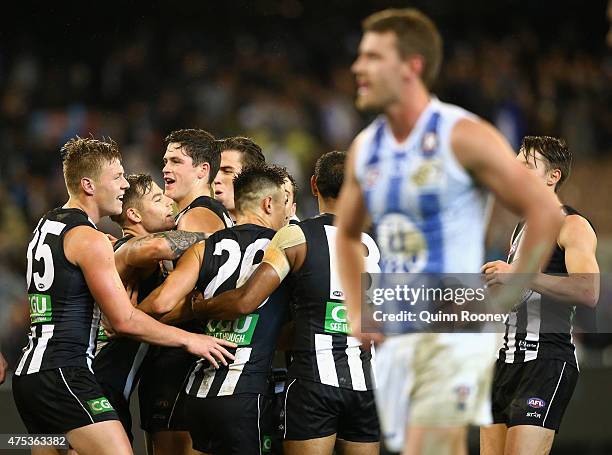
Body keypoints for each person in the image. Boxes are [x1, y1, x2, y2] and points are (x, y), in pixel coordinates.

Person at [335, 9, 564, 455]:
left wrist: (511, 288)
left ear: (411, 66)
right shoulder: (367, 146)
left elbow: (544, 212)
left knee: (431, 445)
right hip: (400, 327)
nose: (357, 67)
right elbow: (346, 233)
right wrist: (359, 309)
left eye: (372, 57)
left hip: (452, 323)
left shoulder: (461, 134)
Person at [12, 137, 235, 455]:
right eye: (116, 177)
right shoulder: (93, 240)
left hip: (32, 376)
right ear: (89, 185)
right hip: (68, 374)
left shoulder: (47, 225)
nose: (122, 185)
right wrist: (191, 340)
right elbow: (124, 318)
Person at [194, 151, 381, 455]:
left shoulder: (295, 237)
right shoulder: (371, 244)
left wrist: (199, 307)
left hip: (312, 383)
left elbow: (246, 301)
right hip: (363, 384)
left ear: (314, 185)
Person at [138, 164, 290, 454]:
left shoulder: (204, 247)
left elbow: (159, 305)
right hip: (246, 393)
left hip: (197, 394)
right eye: (284, 205)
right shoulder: (282, 247)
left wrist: (125, 317)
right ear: (269, 203)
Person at [480, 136, 599, 455]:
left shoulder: (572, 225)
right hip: (506, 360)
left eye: (526, 166)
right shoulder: (522, 228)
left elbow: (588, 291)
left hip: (546, 360)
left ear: (553, 176)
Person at [93, 173, 210, 443]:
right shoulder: (126, 249)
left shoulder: (121, 253)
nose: (169, 201)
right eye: (158, 199)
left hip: (86, 386)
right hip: (98, 388)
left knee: (48, 443)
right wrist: (226, 236)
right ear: (134, 215)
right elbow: (157, 246)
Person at [139, 128, 234, 455]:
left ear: (202, 170)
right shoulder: (202, 215)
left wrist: (128, 319)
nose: (165, 168)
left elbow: (189, 299)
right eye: (165, 160)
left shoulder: (198, 216)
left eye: (176, 161)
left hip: (183, 358)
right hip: (190, 353)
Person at [213, 136, 266, 221]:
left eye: (227, 171)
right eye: (214, 171)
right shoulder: (192, 224)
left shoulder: (279, 231)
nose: (216, 179)